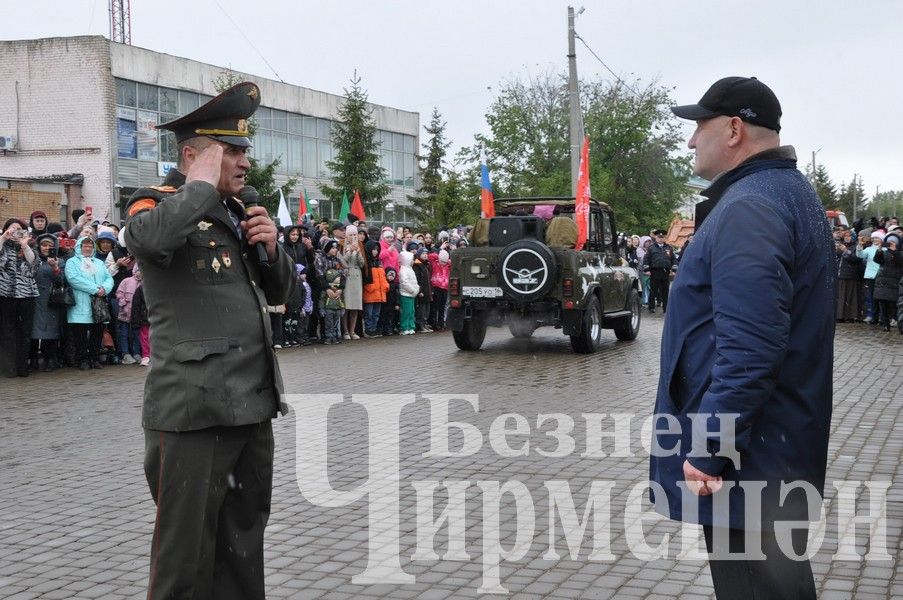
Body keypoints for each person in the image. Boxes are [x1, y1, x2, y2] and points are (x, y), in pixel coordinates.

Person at [651, 76, 835, 600]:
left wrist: (710, 447)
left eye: (698, 126)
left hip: (748, 463)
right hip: (769, 451)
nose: (690, 141)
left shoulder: (749, 207)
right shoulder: (781, 193)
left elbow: (750, 350)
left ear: (733, 129)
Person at [123, 82, 294, 600]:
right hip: (193, 411)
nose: (244, 162)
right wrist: (197, 185)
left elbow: (286, 294)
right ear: (193, 155)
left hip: (250, 404)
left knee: (242, 549)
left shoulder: (240, 212)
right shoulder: (156, 205)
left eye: (245, 150)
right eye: (231, 150)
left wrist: (270, 250)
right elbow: (150, 241)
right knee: (186, 558)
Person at [64, 236, 114, 370]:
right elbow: (73, 279)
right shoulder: (72, 262)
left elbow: (108, 278)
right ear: (79, 247)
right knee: (80, 335)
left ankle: (95, 358)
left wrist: (104, 289)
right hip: (80, 303)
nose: (87, 248)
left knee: (97, 334)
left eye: (90, 246)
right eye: (85, 246)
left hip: (98, 304)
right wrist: (95, 289)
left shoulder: (98, 262)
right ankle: (82, 360)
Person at [0, 218, 39, 377]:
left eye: (20, 229)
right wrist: (3, 238)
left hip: (27, 295)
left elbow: (34, 263)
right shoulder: (3, 246)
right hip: (5, 294)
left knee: (25, 332)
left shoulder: (29, 247)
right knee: (7, 332)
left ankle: (22, 367)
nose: (16, 231)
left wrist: (24, 244)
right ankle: (9, 368)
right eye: (12, 228)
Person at [30, 233, 66, 372]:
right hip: (34, 298)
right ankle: (33, 360)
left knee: (51, 331)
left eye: (50, 246)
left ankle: (50, 359)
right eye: (44, 245)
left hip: (51, 300)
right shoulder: (33, 259)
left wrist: (55, 268)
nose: (46, 248)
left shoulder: (59, 261)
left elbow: (61, 281)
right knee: (32, 331)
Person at [871, 231, 903, 331]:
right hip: (882, 282)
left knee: (895, 304)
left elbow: (901, 262)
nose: (890, 244)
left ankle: (897, 321)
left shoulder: (900, 253)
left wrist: (895, 251)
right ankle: (885, 324)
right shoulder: (883, 252)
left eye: (893, 242)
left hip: (895, 281)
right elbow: (877, 260)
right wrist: (879, 249)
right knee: (882, 303)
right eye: (889, 242)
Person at [642, 229, 675, 312]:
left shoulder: (669, 248)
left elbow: (673, 259)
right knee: (653, 290)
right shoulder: (651, 248)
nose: (660, 239)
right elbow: (646, 259)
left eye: (662, 237)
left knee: (665, 291)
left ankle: (666, 308)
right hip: (654, 272)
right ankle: (651, 307)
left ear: (665, 238)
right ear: (656, 238)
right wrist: (646, 269)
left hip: (665, 272)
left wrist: (674, 269)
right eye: (659, 237)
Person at [398, 250, 419, 335]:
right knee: (406, 311)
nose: (413, 261)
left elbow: (415, 281)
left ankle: (411, 326)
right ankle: (404, 327)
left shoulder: (410, 269)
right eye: (411, 259)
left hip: (412, 294)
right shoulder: (403, 270)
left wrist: (417, 288)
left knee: (411, 311)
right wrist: (413, 290)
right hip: (406, 294)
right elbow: (404, 282)